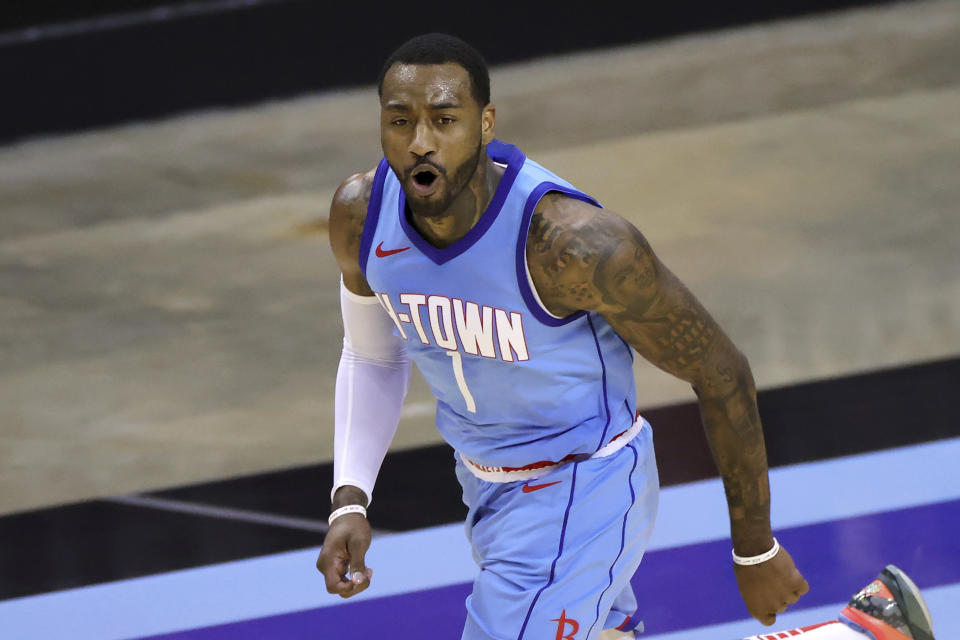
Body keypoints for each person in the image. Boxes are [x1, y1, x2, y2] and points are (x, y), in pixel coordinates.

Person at [315, 33, 936, 640]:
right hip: (487, 486)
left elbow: (720, 370)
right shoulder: (362, 216)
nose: (421, 141)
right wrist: (350, 500)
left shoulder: (573, 246)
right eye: (400, 122)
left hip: (584, 485)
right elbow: (370, 354)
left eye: (444, 119)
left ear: (485, 123)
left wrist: (755, 548)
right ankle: (864, 632)